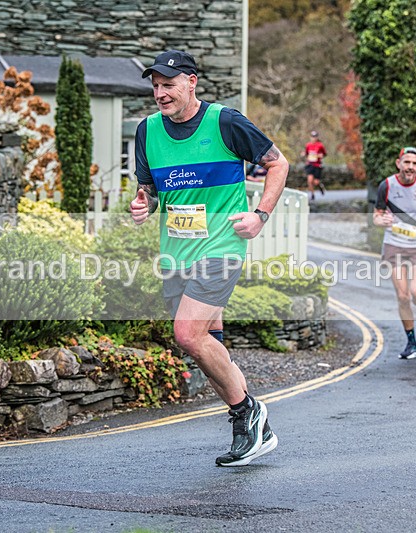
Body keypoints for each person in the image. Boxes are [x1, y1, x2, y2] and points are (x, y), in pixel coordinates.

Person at [129, 50, 289, 466]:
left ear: (191, 82)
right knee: (206, 342)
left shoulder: (225, 122)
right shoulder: (147, 131)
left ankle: (246, 413)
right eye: (156, 86)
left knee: (188, 334)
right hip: (176, 252)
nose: (160, 93)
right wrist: (143, 204)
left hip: (220, 248)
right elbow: (151, 190)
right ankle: (258, 427)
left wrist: (260, 215)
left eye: (168, 85)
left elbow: (278, 163)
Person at [372, 146, 416, 359]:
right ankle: (411, 343)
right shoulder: (386, 185)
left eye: (414, 164)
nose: (410, 167)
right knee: (403, 296)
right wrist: (380, 220)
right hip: (394, 245)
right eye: (406, 162)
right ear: (398, 163)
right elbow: (376, 215)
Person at [303, 130, 327, 200]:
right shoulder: (308, 145)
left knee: (316, 182)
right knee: (309, 181)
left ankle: (320, 186)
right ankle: (312, 195)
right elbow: (306, 154)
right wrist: (304, 155)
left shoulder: (320, 145)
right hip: (310, 164)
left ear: (317, 137)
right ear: (310, 137)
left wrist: (320, 155)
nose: (313, 138)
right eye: (312, 136)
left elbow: (324, 154)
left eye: (315, 136)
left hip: (317, 165)